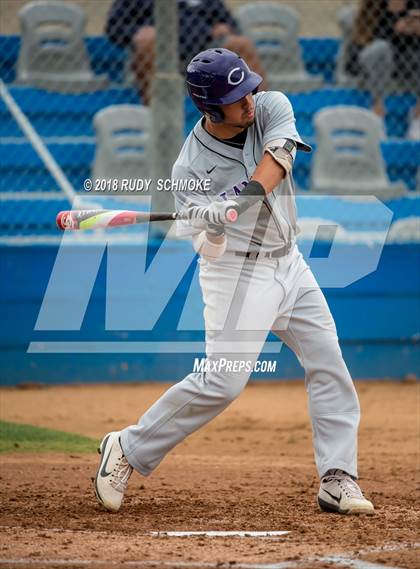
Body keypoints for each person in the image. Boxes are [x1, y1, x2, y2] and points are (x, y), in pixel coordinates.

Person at [94, 48, 375, 516]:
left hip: (291, 262)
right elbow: (208, 252)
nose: (249, 100)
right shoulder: (189, 172)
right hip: (237, 274)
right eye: (236, 97)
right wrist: (214, 226)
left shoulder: (270, 106)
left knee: (329, 364)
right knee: (223, 383)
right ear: (210, 108)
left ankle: (337, 476)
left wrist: (235, 202)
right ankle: (127, 446)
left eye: (249, 89)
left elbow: (280, 159)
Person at [106, 0, 267, 105]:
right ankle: (158, 109)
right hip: (159, 55)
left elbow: (230, 22)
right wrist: (137, 32)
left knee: (240, 43)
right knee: (147, 40)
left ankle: (261, 106)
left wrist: (224, 27)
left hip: (204, 54)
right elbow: (113, 27)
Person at [344, 0, 419, 138]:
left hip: (408, 70)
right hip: (373, 72)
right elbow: (353, 59)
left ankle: (418, 116)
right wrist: (395, 31)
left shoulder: (415, 7)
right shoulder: (372, 7)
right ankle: (377, 113)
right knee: (381, 48)